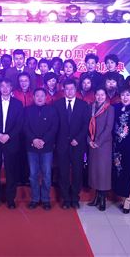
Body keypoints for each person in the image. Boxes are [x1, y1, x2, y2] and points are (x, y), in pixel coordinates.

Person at [0, 79, 24, 209]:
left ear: (11, 87)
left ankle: (10, 199)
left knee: (11, 171)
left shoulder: (18, 104)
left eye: (7, 86)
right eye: (2, 86)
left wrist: (8, 135)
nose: (5, 89)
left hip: (11, 141)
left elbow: (20, 123)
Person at [54, 79, 90, 209]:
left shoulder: (83, 105)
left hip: (77, 144)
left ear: (76, 89)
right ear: (63, 90)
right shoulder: (57, 104)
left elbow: (86, 125)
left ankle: (75, 198)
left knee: (77, 172)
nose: (69, 91)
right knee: (63, 172)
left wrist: (78, 139)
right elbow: (54, 125)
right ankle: (65, 198)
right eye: (67, 89)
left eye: (72, 89)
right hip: (62, 143)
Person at [24, 88, 58, 210]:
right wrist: (33, 140)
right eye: (37, 95)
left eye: (42, 95)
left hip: (46, 147)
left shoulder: (52, 110)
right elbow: (25, 127)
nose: (39, 98)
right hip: (32, 147)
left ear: (46, 97)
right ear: (33, 97)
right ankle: (34, 199)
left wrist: (44, 140)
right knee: (33, 174)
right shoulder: (27, 110)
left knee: (47, 174)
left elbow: (54, 127)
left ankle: (45, 199)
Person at [87, 88, 114, 212]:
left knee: (103, 172)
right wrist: (89, 140)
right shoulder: (90, 107)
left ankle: (103, 199)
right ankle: (96, 197)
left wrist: (98, 142)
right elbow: (86, 125)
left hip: (104, 145)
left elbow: (109, 127)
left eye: (102, 94)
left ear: (106, 96)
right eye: (97, 94)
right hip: (92, 144)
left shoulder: (110, 108)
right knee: (95, 171)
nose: (100, 97)